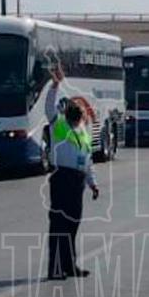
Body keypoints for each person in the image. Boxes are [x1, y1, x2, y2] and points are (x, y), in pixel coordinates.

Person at [45, 71, 100, 280]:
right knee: (59, 224)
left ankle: (70, 266)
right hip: (61, 178)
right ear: (68, 115)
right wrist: (55, 85)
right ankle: (56, 268)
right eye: (76, 115)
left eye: (80, 115)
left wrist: (93, 184)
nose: (79, 118)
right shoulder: (58, 125)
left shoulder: (83, 132)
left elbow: (88, 161)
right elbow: (49, 107)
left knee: (72, 224)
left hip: (77, 182)